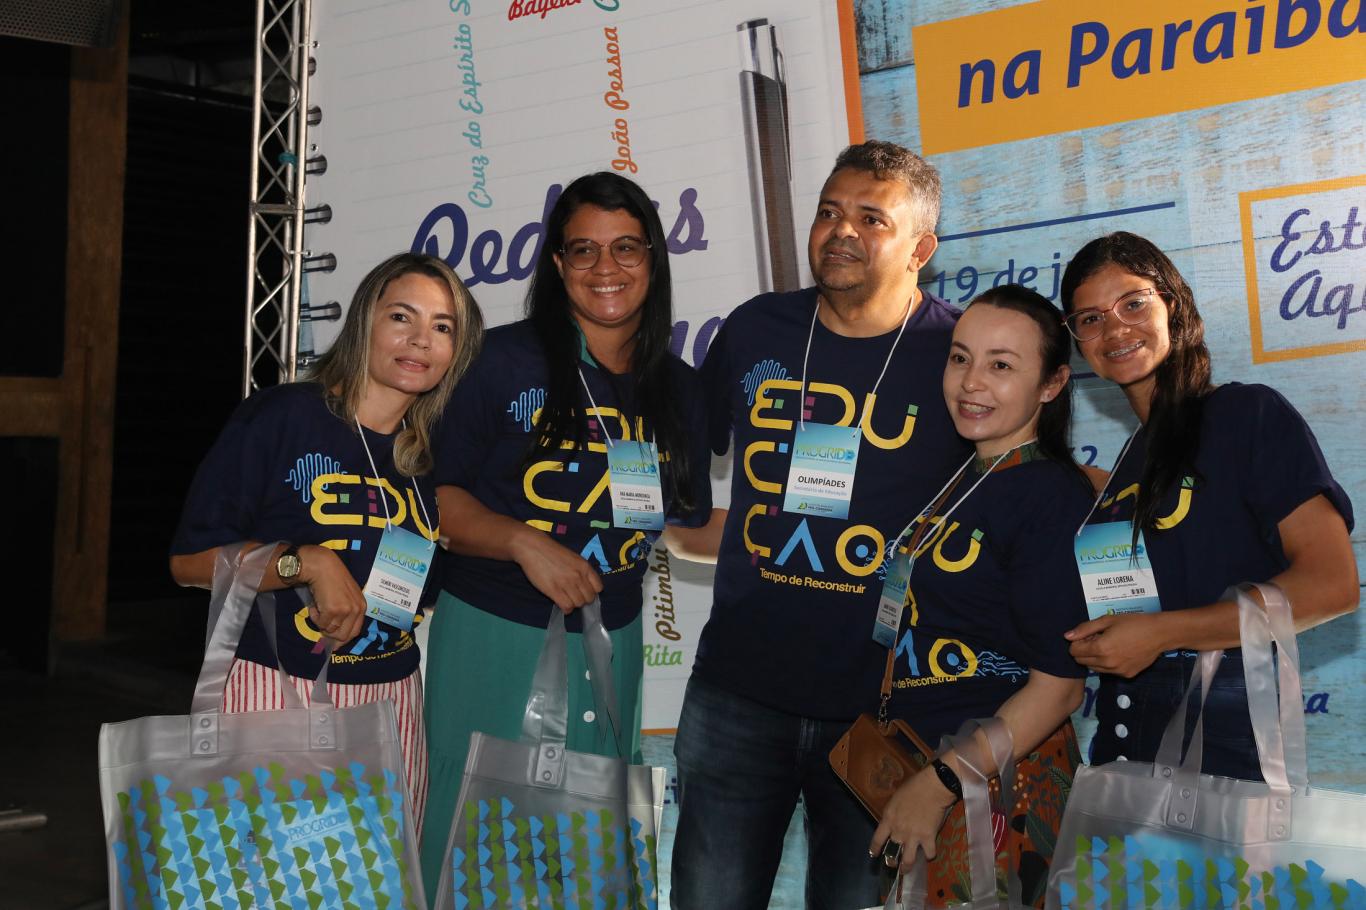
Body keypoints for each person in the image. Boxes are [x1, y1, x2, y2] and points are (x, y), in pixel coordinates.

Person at [668, 140, 973, 909]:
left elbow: (1016, 491)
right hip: (736, 695)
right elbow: (678, 468)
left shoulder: (958, 352)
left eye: (872, 218)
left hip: (885, 711)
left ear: (921, 250)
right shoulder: (758, 329)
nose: (842, 230)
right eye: (830, 212)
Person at [419, 171, 714, 896]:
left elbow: (687, 524)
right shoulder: (497, 361)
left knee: (587, 856)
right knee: (476, 844)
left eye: (626, 248)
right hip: (496, 634)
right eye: (583, 250)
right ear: (557, 264)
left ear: (653, 260)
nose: (605, 267)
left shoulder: (678, 388)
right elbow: (435, 499)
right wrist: (525, 543)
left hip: (615, 640)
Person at [169, 252, 484, 834]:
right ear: (365, 320)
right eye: (402, 317)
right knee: (268, 876)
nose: (420, 340)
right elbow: (189, 563)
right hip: (275, 694)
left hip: (392, 703)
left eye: (442, 327)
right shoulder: (283, 417)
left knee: (381, 877)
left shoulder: (433, 454)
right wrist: (304, 562)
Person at [1059, 231, 1357, 779]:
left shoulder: (1247, 415)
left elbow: (1332, 585)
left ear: (1172, 304)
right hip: (1122, 746)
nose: (1115, 328)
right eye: (1091, 318)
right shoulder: (1129, 462)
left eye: (1133, 303)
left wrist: (1161, 633)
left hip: (1224, 753)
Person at [866, 285, 1090, 907]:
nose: (971, 382)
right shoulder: (967, 477)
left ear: (1052, 384)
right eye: (961, 358)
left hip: (997, 786)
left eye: (1001, 365)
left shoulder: (1049, 495)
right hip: (934, 775)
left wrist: (941, 782)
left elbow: (1060, 687)